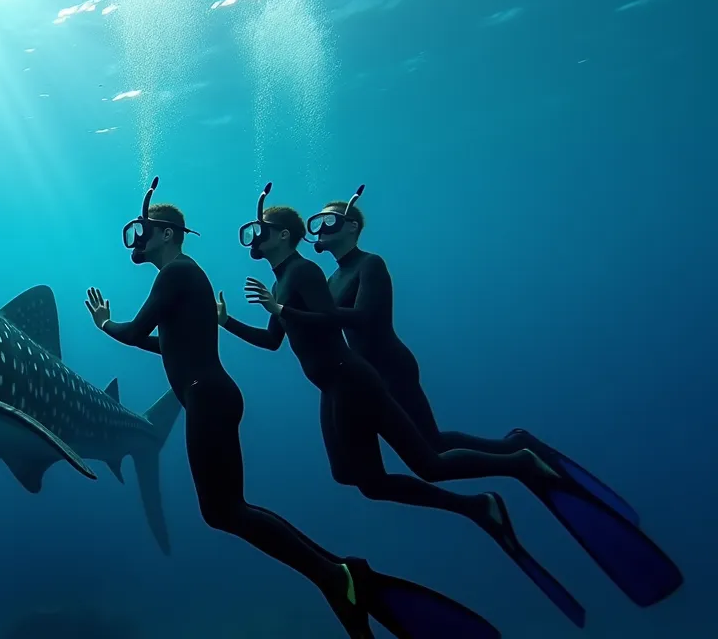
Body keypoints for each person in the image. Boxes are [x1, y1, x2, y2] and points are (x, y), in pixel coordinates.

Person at [224, 182, 682, 618]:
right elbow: (282, 336)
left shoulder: (361, 266)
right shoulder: (319, 275)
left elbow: (359, 318)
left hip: (380, 370)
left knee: (430, 457)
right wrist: (231, 321)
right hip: (349, 376)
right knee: (407, 458)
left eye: (328, 222)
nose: (320, 230)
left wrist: (286, 310)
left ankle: (516, 462)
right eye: (316, 223)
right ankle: (505, 467)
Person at [85, 177, 502, 639]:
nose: (136, 241)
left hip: (230, 393)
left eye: (141, 231)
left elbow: (137, 330)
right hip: (217, 394)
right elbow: (172, 345)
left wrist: (106, 324)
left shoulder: (180, 273)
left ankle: (339, 575)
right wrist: (235, 319)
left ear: (166, 234)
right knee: (244, 506)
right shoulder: (192, 276)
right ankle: (339, 575)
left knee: (229, 510)